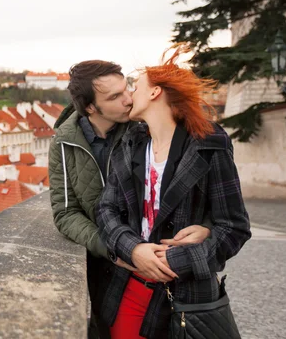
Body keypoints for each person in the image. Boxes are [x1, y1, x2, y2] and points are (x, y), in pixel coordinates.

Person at [48, 60, 212, 339]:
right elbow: (65, 212)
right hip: (105, 268)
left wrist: (207, 224)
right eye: (114, 97)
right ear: (90, 107)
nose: (128, 100)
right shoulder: (64, 143)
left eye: (127, 89)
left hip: (163, 261)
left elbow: (197, 189)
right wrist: (113, 248)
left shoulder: (144, 129)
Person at [96, 46, 251, 339]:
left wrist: (175, 261)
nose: (130, 96)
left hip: (186, 296)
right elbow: (106, 211)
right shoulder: (130, 144)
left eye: (136, 86)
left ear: (155, 93)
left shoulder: (209, 145)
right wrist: (134, 249)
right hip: (127, 287)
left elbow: (235, 228)